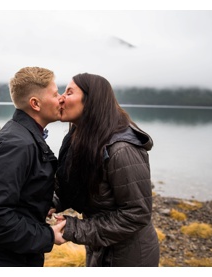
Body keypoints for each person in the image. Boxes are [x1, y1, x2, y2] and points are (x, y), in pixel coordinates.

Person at [52, 73, 159, 267]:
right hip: (101, 247)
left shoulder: (122, 150)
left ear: (91, 101)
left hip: (130, 256)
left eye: (69, 92)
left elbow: (137, 214)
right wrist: (51, 202)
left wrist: (76, 228)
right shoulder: (80, 139)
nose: (60, 98)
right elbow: (76, 186)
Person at [0, 66, 66, 266]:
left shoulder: (24, 135)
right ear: (35, 104)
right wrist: (47, 236)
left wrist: (43, 204)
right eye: (55, 94)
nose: (61, 98)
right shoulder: (18, 144)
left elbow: (20, 194)